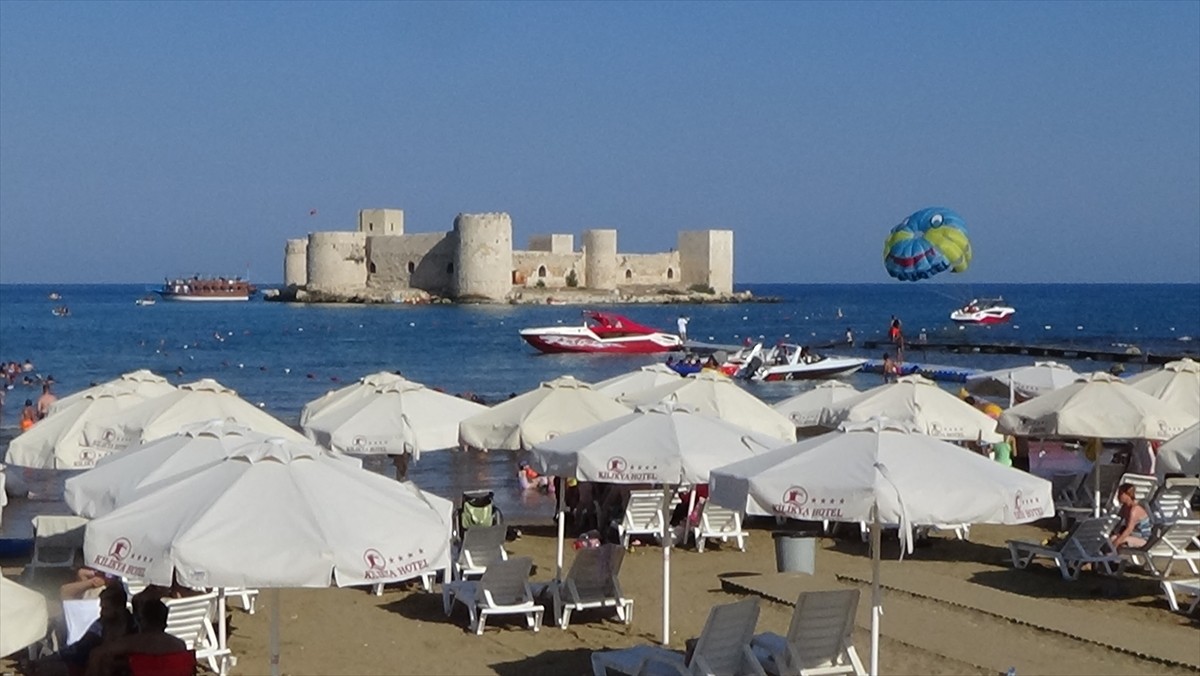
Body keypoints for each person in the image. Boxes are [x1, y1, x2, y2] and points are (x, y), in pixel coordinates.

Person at [85, 598, 189, 676]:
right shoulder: (179, 645)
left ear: (143, 621)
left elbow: (97, 653)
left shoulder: (135, 642)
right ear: (164, 622)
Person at [1111, 483, 1152, 549]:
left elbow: (1129, 529)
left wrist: (1117, 542)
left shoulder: (1134, 510)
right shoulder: (1125, 507)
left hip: (1142, 538)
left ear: (1127, 495)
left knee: (1115, 540)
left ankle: (1110, 556)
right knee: (1112, 538)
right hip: (1133, 535)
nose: (1118, 496)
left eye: (1120, 494)